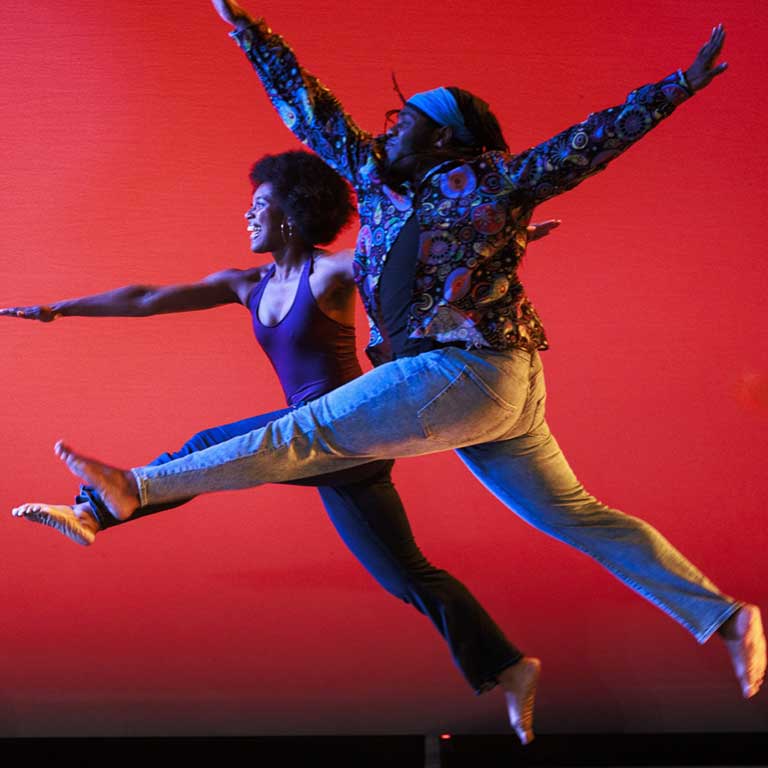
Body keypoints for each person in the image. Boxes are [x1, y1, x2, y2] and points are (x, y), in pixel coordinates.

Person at [17, 2, 766, 736]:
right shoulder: (374, 179)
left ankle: (132, 489)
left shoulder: (492, 183)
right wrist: (249, 30)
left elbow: (582, 146)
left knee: (298, 435)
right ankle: (725, 617)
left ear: (447, 138)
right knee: (572, 517)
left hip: (467, 372)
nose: (389, 126)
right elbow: (309, 109)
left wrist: (674, 87)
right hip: (484, 385)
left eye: (407, 121)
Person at [4, 149, 561, 744]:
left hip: (350, 431)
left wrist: (505, 237)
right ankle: (508, 666)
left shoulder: (330, 274)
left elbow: (408, 258)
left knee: (209, 446)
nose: (247, 215)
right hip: (322, 451)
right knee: (407, 576)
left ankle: (93, 509)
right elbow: (146, 297)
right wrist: (57, 309)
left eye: (260, 205)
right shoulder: (245, 284)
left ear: (293, 215)